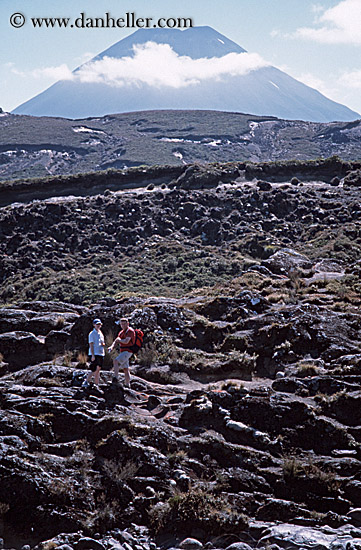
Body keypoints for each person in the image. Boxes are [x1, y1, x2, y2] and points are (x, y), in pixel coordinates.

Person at [108, 318, 135, 388]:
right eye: (121, 324)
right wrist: (111, 347)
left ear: (127, 324)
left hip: (128, 351)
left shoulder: (130, 331)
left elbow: (126, 341)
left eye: (124, 324)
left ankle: (116, 378)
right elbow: (116, 340)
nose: (122, 325)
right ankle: (127, 384)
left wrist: (120, 340)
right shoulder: (121, 332)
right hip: (123, 351)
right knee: (125, 369)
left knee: (116, 361)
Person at [83, 318, 105, 390]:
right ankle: (86, 381)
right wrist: (92, 355)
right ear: (94, 325)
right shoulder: (92, 334)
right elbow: (91, 344)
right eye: (97, 324)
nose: (98, 326)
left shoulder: (100, 333)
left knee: (98, 369)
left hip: (101, 353)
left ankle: (96, 383)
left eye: (99, 324)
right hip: (94, 353)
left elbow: (101, 342)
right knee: (94, 369)